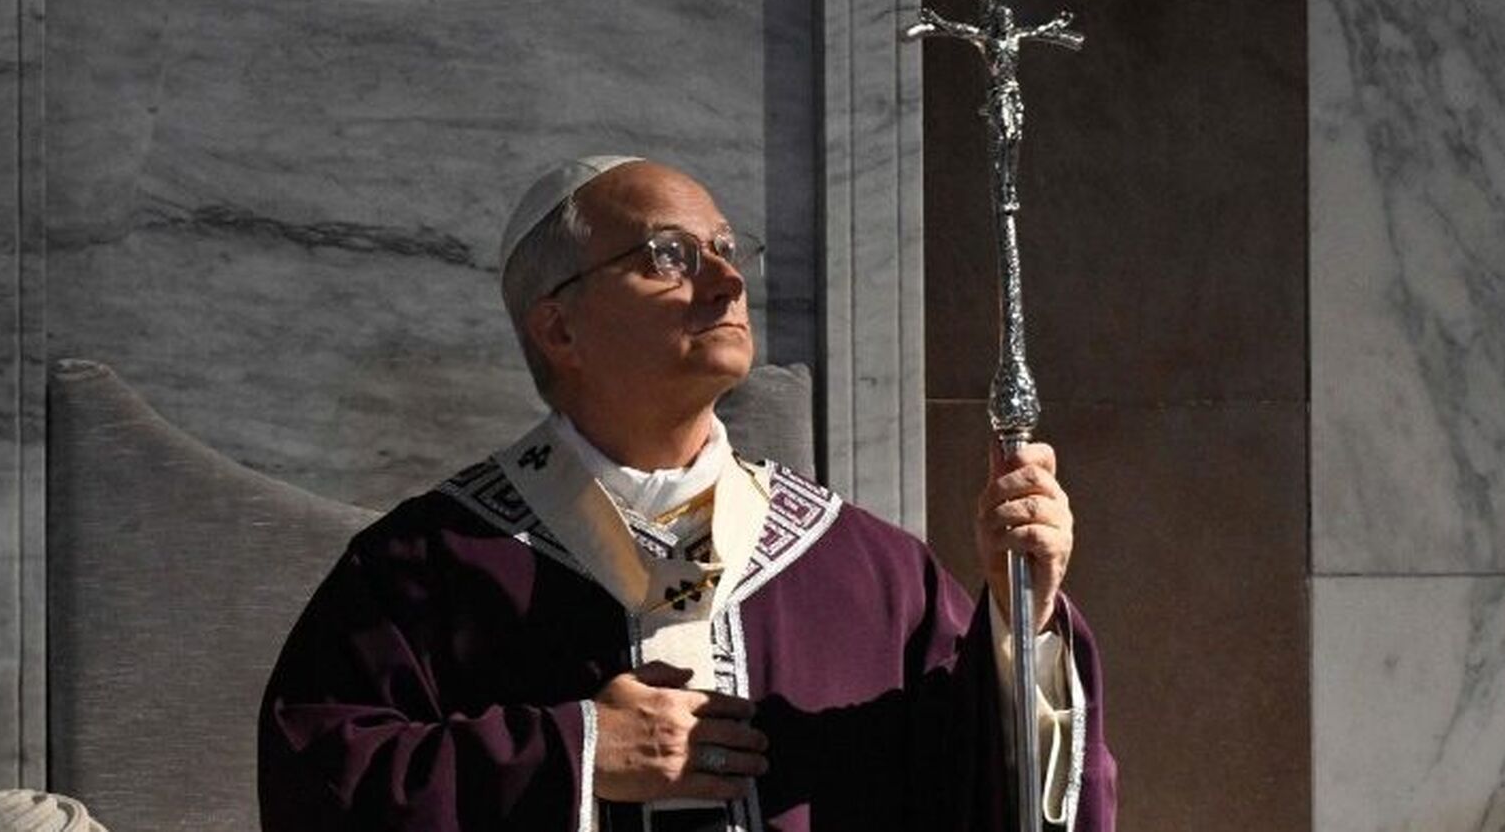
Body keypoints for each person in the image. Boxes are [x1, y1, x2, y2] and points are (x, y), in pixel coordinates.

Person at [257, 156, 1117, 832]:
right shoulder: (423, 568)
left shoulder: (867, 573)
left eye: (727, 251)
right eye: (669, 256)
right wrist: (576, 755)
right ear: (559, 327)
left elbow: (985, 795)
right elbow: (318, 780)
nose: (726, 282)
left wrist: (1021, 623)